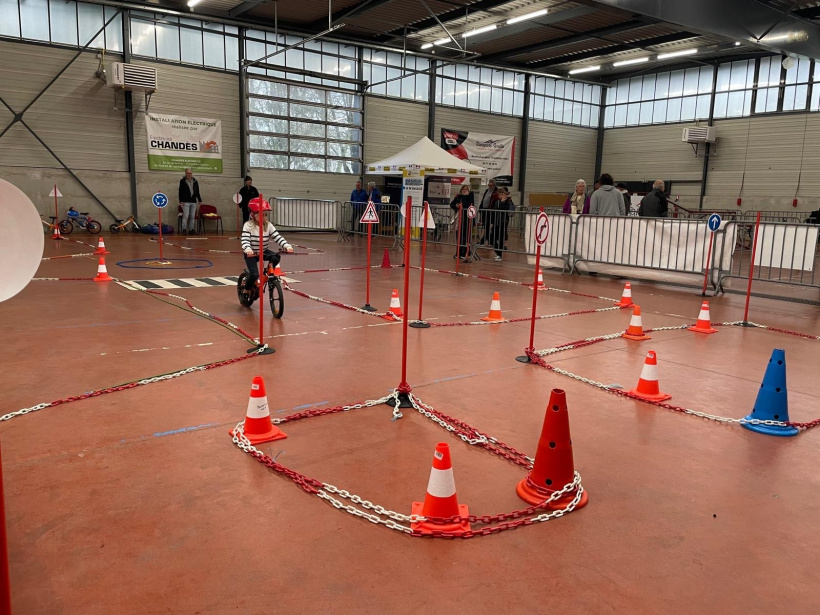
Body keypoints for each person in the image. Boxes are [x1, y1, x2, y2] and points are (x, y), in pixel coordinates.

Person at [240, 198, 294, 293]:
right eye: (261, 215)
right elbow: (245, 240)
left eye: (266, 215)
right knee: (254, 275)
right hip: (251, 253)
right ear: (253, 215)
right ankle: (246, 289)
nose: (264, 217)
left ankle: (267, 273)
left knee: (276, 257)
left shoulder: (268, 225)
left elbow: (277, 237)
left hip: (263, 251)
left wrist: (286, 245)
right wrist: (248, 249)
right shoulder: (248, 225)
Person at [450, 183, 474, 260]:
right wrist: (456, 206)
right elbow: (452, 204)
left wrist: (464, 197)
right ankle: (458, 252)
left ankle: (465, 252)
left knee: (465, 236)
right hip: (459, 218)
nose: (464, 191)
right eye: (463, 189)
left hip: (467, 219)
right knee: (459, 236)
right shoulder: (458, 196)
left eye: (465, 189)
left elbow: (469, 205)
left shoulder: (470, 196)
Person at [492, 187, 516, 261]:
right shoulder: (497, 202)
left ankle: (499, 255)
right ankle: (498, 252)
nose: (500, 196)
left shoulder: (508, 202)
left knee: (501, 238)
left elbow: (507, 210)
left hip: (503, 222)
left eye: (501, 194)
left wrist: (504, 202)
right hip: (496, 222)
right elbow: (495, 210)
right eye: (499, 195)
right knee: (492, 237)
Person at [178, 168, 202, 235]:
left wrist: (199, 199)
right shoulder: (182, 181)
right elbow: (180, 191)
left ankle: (191, 229)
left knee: (192, 216)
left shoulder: (195, 181)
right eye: (188, 173)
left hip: (193, 201)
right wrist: (181, 200)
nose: (189, 174)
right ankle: (184, 229)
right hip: (185, 201)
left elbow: (197, 191)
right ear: (185, 173)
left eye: (190, 173)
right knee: (186, 216)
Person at [478, 179, 499, 245]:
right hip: (484, 211)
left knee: (488, 227)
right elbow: (483, 199)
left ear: (494, 185)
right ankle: (490, 242)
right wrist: (480, 207)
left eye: (491, 185)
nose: (489, 186)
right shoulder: (487, 190)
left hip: (490, 212)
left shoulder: (496, 191)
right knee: (486, 227)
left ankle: (485, 241)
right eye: (488, 185)